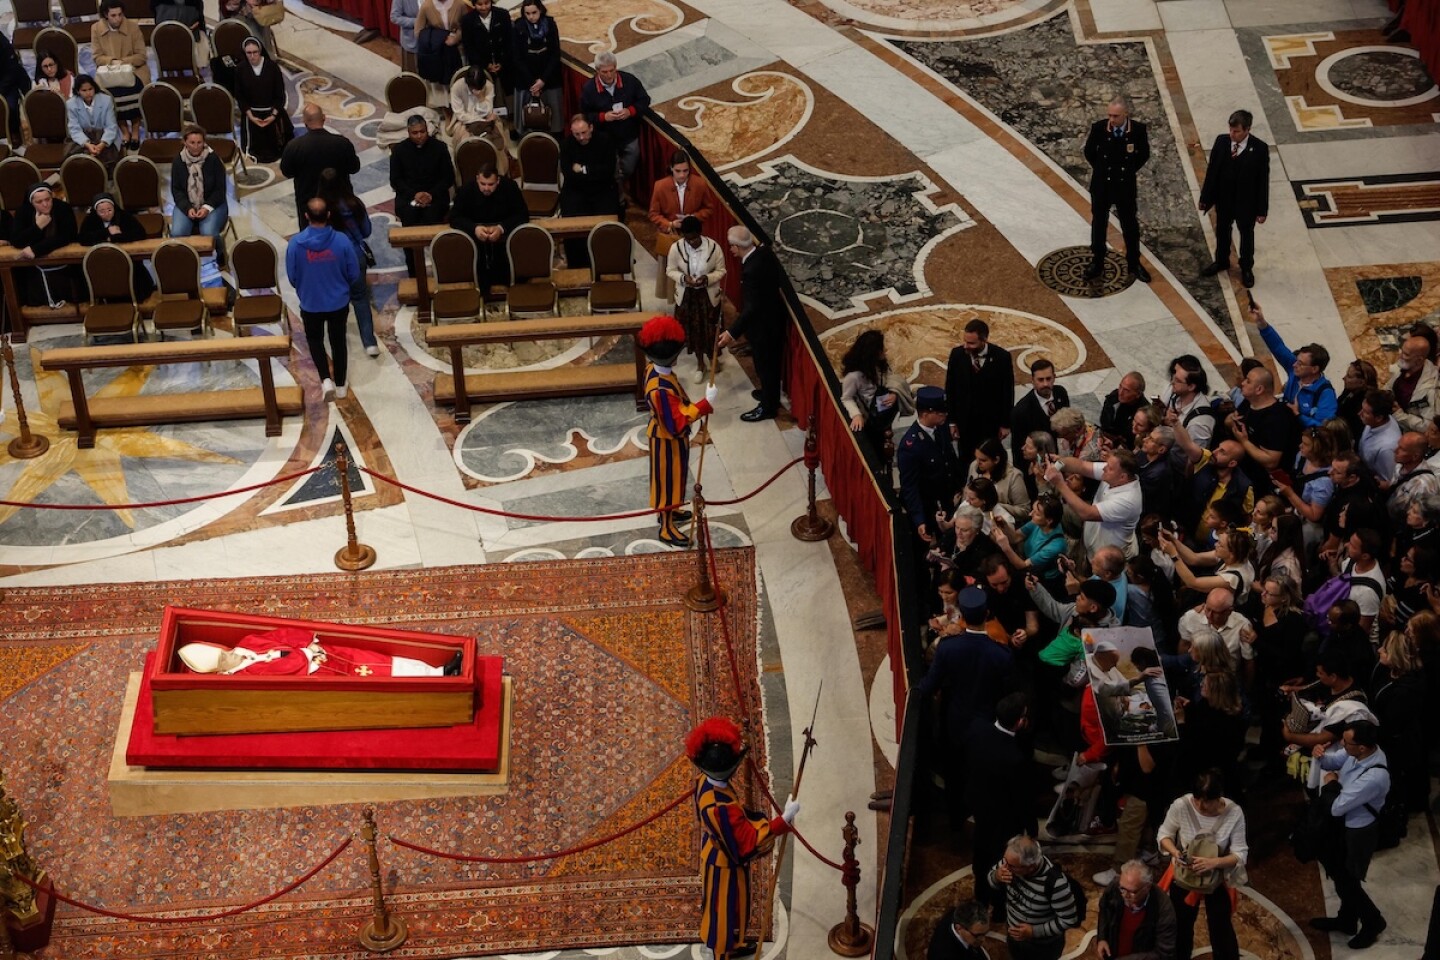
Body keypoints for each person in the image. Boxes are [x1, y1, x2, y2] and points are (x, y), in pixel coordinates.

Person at [686, 716, 799, 960]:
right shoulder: (721, 808)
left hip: (715, 853)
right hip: (724, 866)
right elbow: (747, 842)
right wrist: (783, 821)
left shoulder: (703, 781)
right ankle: (722, 955)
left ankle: (733, 946)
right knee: (722, 917)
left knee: (733, 910)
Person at [917, 586, 1015, 828]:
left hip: (955, 719)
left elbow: (929, 685)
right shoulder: (1001, 654)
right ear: (987, 614)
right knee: (981, 772)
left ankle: (955, 817)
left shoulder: (949, 647)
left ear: (962, 616)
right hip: (987, 722)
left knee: (954, 771)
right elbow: (1008, 692)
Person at [638, 315, 717, 547]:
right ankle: (666, 527)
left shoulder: (653, 369)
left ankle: (671, 511)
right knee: (667, 483)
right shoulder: (660, 389)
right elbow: (677, 422)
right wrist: (704, 404)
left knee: (676, 479)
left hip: (668, 438)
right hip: (667, 439)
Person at [1312, 721, 1390, 949]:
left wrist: (1332, 782)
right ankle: (1347, 920)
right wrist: (1320, 755)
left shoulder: (1374, 776)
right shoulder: (1355, 753)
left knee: (1348, 882)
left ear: (1362, 747)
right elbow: (1333, 762)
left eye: (1347, 742)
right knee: (1341, 877)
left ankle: (1373, 921)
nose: (1342, 745)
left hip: (1358, 832)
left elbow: (1337, 806)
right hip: (1343, 826)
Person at [1157, 770, 1246, 960]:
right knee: (1180, 924)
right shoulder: (1181, 806)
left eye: (1207, 801)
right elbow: (1164, 835)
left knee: (1220, 926)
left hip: (1217, 878)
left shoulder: (1234, 813)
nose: (1201, 806)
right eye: (1198, 800)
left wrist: (1214, 863)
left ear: (1219, 796)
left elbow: (1240, 853)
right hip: (1185, 875)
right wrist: (1175, 853)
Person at [286, 198, 360, 403]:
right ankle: (341, 384)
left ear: (306, 216)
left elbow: (292, 277)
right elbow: (354, 273)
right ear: (328, 215)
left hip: (311, 302)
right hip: (338, 302)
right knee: (338, 342)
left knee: (315, 340)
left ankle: (325, 379)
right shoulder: (342, 241)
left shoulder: (295, 244)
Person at [966, 693, 1034, 917]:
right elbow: (1022, 798)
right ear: (1019, 722)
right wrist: (1030, 829)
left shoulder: (977, 729)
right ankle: (999, 908)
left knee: (981, 858)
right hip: (1004, 821)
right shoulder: (1014, 758)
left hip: (980, 812)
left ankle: (981, 898)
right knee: (1003, 865)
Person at [178, 628, 463, 677]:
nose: (230, 656)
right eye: (223, 662)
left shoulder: (248, 641)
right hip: (323, 672)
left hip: (327, 653)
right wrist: (307, 656)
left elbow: (280, 636)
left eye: (224, 653)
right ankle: (438, 682)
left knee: (380, 660)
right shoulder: (245, 675)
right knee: (379, 676)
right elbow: (282, 671)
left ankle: (436, 670)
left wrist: (309, 643)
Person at [718, 226, 785, 422]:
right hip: (772, 318)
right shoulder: (763, 253)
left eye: (732, 246)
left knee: (766, 367)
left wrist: (731, 333)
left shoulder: (751, 270)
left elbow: (752, 308)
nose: (730, 250)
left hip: (765, 327)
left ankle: (768, 407)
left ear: (738, 247)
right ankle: (767, 394)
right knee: (767, 366)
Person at [1198, 109, 1269, 288]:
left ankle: (1246, 268)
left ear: (1247, 129)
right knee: (1222, 230)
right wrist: (1205, 197)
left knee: (1246, 235)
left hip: (1246, 203)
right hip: (1224, 199)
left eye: (1236, 131)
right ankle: (1221, 261)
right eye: (1231, 130)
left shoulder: (1259, 149)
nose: (1232, 134)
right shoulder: (1222, 142)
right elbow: (1212, 171)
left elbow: (1263, 182)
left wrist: (1262, 210)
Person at [1083, 95, 1151, 283]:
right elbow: (1089, 152)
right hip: (1102, 185)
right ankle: (1097, 261)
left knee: (1130, 226)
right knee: (1099, 224)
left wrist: (1129, 170)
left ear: (1125, 114)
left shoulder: (1137, 130)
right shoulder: (1099, 128)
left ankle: (1134, 262)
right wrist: (1101, 169)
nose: (1112, 120)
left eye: (1116, 116)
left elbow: (1143, 154)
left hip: (1124, 186)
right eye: (1110, 116)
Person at [986, 834, 1081, 960]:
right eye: (1005, 862)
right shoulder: (1009, 861)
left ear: (1030, 867)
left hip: (1042, 946)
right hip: (1013, 935)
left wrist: (1034, 931)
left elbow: (1069, 920)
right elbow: (991, 880)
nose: (1005, 867)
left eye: (1012, 866)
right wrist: (996, 876)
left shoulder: (1056, 884)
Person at [317, 167, 377, 358]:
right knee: (360, 298)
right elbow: (366, 231)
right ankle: (369, 343)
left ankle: (338, 346)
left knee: (336, 300)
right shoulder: (354, 203)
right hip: (355, 254)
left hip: (330, 258)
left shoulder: (320, 210)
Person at [388, 113, 454, 277]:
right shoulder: (399, 151)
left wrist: (430, 194)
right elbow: (395, 180)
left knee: (436, 228)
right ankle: (414, 273)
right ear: (408, 132)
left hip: (435, 194)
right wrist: (415, 194)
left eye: (422, 132)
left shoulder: (439, 147)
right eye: (415, 133)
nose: (419, 136)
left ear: (427, 130)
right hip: (409, 196)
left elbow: (448, 177)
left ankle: (442, 271)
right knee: (409, 229)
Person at [1249, 303, 1336, 428]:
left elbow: (1324, 428)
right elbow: (1278, 347)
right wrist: (1261, 322)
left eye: (1300, 363)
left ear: (1314, 369)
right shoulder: (1295, 370)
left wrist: (1298, 415)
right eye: (1297, 360)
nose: (1294, 364)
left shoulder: (1325, 394)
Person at [579, 51, 651, 202]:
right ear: (597, 71)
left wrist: (630, 111)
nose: (609, 75)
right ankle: (617, 197)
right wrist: (603, 117)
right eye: (605, 72)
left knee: (628, 167)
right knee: (610, 169)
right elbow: (585, 115)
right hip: (605, 139)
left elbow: (644, 100)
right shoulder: (589, 89)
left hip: (628, 135)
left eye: (612, 70)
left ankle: (615, 184)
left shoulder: (629, 81)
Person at [1044, 449, 1143, 558]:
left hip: (1109, 561)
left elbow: (1087, 513)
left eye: (1109, 467)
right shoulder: (1114, 473)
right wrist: (1059, 464)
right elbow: (1082, 466)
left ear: (1123, 477)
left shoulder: (1127, 501)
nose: (1104, 468)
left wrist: (1059, 483)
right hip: (1092, 546)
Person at [449, 161, 528, 296]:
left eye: (491, 184)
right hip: (477, 241)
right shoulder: (466, 190)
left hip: (504, 239)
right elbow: (455, 217)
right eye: (483, 184)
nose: (486, 188)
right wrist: (474, 228)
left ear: (498, 181)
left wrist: (501, 228)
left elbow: (522, 215)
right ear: (477, 179)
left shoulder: (510, 187)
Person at [945, 318, 1015, 467]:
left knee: (991, 459)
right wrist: (952, 421)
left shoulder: (1002, 357)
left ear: (984, 340)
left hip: (990, 423)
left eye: (971, 343)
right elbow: (950, 389)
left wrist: (1005, 424)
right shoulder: (957, 355)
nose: (966, 346)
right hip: (965, 422)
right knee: (965, 460)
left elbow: (1007, 392)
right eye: (965, 341)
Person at [280, 104, 361, 231]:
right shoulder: (342, 143)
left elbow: (287, 172)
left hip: (310, 206)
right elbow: (354, 168)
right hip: (340, 203)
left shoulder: (293, 147)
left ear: (304, 121)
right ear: (324, 118)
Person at [897, 386, 961, 546]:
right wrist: (919, 519)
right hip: (929, 505)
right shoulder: (910, 446)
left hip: (948, 498)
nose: (945, 415)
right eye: (940, 413)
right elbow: (909, 487)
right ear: (925, 414)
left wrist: (960, 486)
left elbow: (950, 459)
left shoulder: (941, 427)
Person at [666, 215, 726, 379]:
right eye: (687, 238)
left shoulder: (714, 248)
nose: (691, 242)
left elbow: (721, 271)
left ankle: (712, 358)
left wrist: (707, 279)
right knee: (693, 331)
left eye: (694, 238)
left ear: (700, 233)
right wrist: (684, 279)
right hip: (687, 297)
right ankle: (700, 364)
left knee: (711, 329)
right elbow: (670, 270)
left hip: (708, 297)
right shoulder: (676, 248)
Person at [557, 113, 618, 267]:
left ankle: (607, 261)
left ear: (591, 127)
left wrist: (583, 170)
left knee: (607, 223)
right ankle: (578, 264)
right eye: (577, 134)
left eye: (584, 132)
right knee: (572, 222)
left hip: (602, 189)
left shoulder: (605, 141)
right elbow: (569, 175)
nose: (581, 137)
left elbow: (608, 171)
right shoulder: (566, 145)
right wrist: (593, 172)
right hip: (576, 190)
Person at [1227, 365, 1297, 497]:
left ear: (1259, 389)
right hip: (1243, 472)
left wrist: (1244, 441)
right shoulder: (1249, 403)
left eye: (1248, 381)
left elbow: (1271, 461)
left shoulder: (1277, 419)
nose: (1242, 383)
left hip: (1263, 485)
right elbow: (1233, 420)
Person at [91, 0, 149, 150]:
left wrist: (123, 62)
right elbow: (97, 57)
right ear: (106, 15)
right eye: (113, 15)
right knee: (110, 94)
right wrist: (112, 62)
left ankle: (135, 130)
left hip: (134, 70)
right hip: (110, 73)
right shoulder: (96, 29)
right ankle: (124, 131)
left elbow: (141, 56)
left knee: (134, 89)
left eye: (120, 15)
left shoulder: (133, 27)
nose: (117, 19)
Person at [11, 185, 80, 308]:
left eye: (48, 199)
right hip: (35, 268)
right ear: (31, 202)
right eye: (39, 202)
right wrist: (37, 227)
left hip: (63, 265)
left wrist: (36, 249)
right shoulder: (23, 211)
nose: (45, 204)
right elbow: (17, 241)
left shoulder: (62, 208)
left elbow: (68, 236)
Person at [170, 125, 230, 266]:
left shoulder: (213, 159)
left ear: (204, 142)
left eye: (199, 143)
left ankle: (220, 255)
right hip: (187, 204)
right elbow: (176, 190)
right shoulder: (178, 161)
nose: (196, 147)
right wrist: (186, 208)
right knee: (177, 233)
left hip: (213, 204)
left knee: (209, 233)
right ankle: (184, 262)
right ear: (185, 142)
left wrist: (207, 208)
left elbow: (220, 190)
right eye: (192, 143)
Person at [78, 192, 155, 300]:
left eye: (109, 210)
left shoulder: (123, 216)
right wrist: (106, 232)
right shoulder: (91, 219)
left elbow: (140, 233)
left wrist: (116, 237)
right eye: (102, 211)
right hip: (102, 262)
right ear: (96, 211)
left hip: (126, 261)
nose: (107, 214)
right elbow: (83, 239)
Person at [1094, 860, 1177, 960]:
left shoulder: (1164, 909)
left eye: (1132, 892)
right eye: (1122, 889)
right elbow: (1104, 910)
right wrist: (1102, 938)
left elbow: (1163, 953)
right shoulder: (1116, 886)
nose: (1125, 895)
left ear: (1147, 887)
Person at [992, 494, 1067, 594]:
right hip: (1026, 563)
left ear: (1049, 520)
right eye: (1033, 510)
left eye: (1036, 514)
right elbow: (1015, 537)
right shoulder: (1037, 523)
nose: (1030, 514)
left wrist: (1005, 547)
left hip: (1044, 581)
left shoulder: (1055, 545)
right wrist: (1004, 525)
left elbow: (1022, 566)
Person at [650, 150, 717, 261]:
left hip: (694, 236)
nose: (682, 175)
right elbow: (653, 214)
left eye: (685, 171)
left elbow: (709, 208)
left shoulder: (700, 184)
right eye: (678, 171)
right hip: (670, 237)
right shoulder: (660, 186)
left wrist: (694, 218)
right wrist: (670, 224)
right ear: (671, 168)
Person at [234, 38, 292, 164]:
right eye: (249, 53)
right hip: (252, 114)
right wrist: (251, 116)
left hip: (272, 112)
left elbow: (280, 95)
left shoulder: (272, 68)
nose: (252, 56)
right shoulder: (240, 69)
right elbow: (240, 96)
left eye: (255, 52)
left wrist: (273, 116)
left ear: (260, 51)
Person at [510, 0, 562, 136]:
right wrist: (533, 83)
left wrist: (543, 80)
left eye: (534, 13)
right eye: (527, 13)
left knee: (552, 115)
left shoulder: (550, 24)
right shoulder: (518, 27)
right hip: (526, 78)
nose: (531, 16)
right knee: (527, 118)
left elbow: (555, 54)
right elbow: (516, 57)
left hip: (548, 77)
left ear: (540, 10)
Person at [447, 66, 509, 172]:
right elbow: (460, 114)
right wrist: (478, 121)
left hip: (487, 118)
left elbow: (488, 110)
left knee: (497, 143)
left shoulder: (488, 86)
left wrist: (480, 98)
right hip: (464, 121)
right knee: (467, 142)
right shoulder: (457, 87)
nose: (476, 90)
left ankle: (498, 172)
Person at [1011, 358, 1069, 466]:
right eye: (1040, 380)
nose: (1045, 384)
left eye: (1048, 379)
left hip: (1063, 458)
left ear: (1054, 378)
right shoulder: (1021, 411)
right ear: (1032, 380)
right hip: (1040, 464)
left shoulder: (1061, 393)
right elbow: (1018, 449)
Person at [459, 0, 512, 118]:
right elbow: (469, 47)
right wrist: (485, 64)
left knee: (508, 94)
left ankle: (511, 124)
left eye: (486, 3)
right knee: (486, 95)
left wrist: (502, 62)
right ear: (474, 4)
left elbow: (510, 41)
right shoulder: (467, 20)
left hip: (504, 63)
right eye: (479, 4)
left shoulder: (502, 15)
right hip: (482, 66)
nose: (483, 7)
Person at [1385, 333, 1439, 433]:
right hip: (1390, 418)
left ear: (1418, 361)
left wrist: (1399, 415)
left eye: (1406, 354)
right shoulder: (1403, 365)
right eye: (1402, 351)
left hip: (1407, 432)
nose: (1400, 356)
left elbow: (1427, 426)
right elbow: (1389, 385)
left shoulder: (1431, 390)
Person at [64, 76, 121, 169]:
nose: (88, 93)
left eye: (90, 89)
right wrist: (87, 144)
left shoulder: (106, 100)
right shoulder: (71, 104)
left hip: (104, 138)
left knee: (107, 160)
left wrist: (102, 144)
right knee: (78, 161)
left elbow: (111, 126)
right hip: (83, 139)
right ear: (78, 91)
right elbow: (74, 129)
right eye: (84, 90)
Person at [1162, 354, 1216, 448]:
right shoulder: (1176, 394)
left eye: (1178, 380)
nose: (1172, 382)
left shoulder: (1199, 423)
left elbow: (1195, 457)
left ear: (1191, 386)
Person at [414, 0, 463, 88]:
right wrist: (438, 39)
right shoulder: (426, 6)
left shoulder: (460, 4)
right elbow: (418, 32)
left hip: (457, 50)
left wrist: (456, 38)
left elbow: (466, 26)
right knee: (439, 88)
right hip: (436, 54)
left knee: (457, 83)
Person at [926, 900, 994, 960]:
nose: (983, 939)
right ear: (959, 928)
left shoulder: (960, 913)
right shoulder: (943, 956)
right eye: (977, 935)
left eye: (985, 933)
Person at [1100, 372, 1147, 448]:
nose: (1120, 392)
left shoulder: (1144, 413)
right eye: (1120, 387)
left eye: (1126, 390)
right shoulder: (1114, 397)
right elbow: (1104, 421)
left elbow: (1132, 440)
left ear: (1138, 394)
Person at [0, 31, 31, 141]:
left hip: (7, 84)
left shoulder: (2, 43)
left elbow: (12, 70)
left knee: (9, 107)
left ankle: (14, 136)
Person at [1339, 359, 1380, 441]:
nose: (1343, 378)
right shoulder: (1350, 390)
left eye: (1349, 376)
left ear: (1362, 382)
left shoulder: (1363, 406)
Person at [389, 0, 420, 73]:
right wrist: (416, 22)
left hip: (430, 40)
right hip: (412, 40)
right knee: (413, 75)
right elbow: (394, 17)